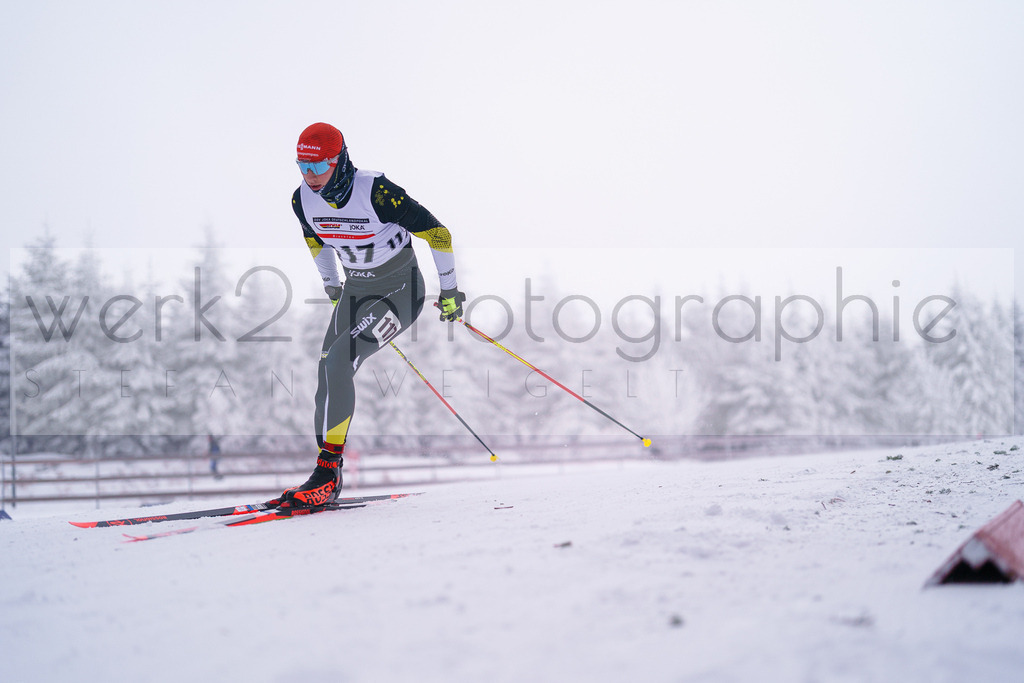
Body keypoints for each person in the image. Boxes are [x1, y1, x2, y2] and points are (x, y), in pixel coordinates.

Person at [269, 122, 465, 509]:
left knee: (341, 359)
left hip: (401, 291)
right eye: (301, 167)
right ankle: (326, 472)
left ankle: (326, 475)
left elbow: (438, 234)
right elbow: (315, 240)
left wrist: (450, 289)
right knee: (327, 367)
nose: (309, 178)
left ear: (338, 160)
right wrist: (331, 283)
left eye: (318, 167)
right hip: (355, 292)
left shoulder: (377, 192)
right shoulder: (301, 200)